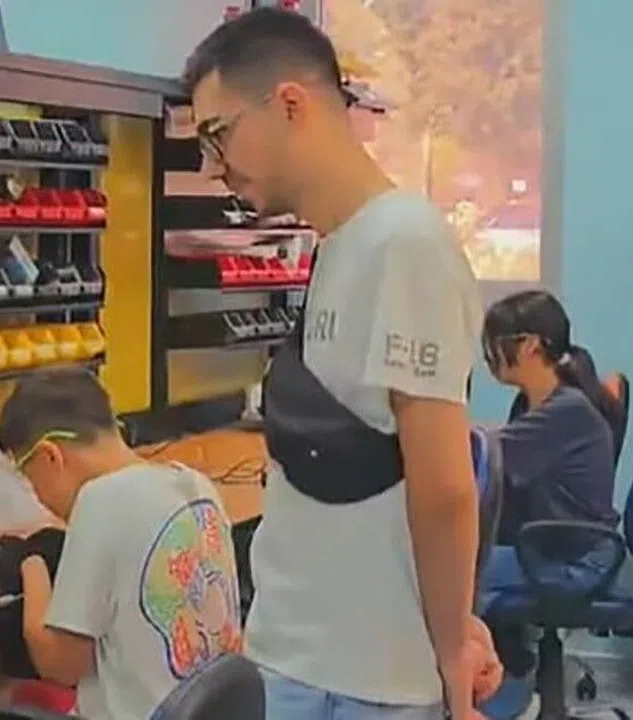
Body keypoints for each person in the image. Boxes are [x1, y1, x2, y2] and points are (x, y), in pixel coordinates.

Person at [183, 8, 488, 719]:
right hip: (299, 659)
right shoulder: (341, 246)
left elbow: (444, 490)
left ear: (290, 105)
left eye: (216, 134)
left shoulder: (403, 244)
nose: (210, 165)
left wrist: (450, 649)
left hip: (358, 687)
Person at [0, 368, 241, 719]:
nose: (40, 499)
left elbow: (60, 664)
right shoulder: (196, 484)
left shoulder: (99, 502)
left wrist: (30, 563)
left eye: (31, 481)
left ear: (51, 457)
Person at [476, 290, 623, 719]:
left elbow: (485, 454)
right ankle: (511, 680)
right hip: (558, 544)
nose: (489, 356)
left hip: (572, 558)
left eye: (495, 344)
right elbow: (497, 452)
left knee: (449, 575)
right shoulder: (538, 401)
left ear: (529, 346)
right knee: (465, 558)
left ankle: (507, 693)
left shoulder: (566, 411)